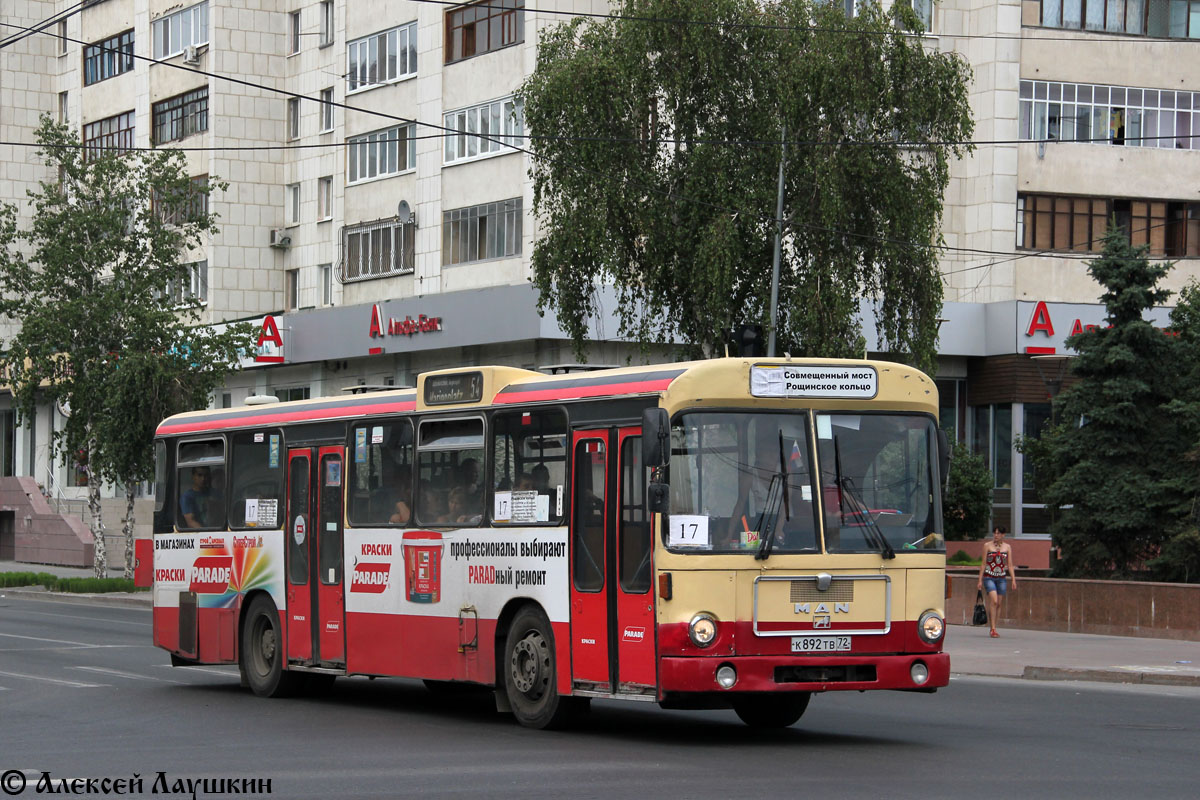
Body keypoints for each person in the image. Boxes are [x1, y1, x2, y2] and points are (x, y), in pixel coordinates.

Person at [977, 525, 1016, 637]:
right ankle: (993, 628)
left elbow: (1009, 564)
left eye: (998, 533)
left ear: (1003, 535)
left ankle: (994, 626)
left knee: (999, 603)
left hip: (1001, 578)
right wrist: (980, 580)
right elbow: (983, 563)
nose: (996, 535)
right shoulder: (987, 546)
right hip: (989, 576)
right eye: (994, 533)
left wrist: (1013, 579)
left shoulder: (1007, 547)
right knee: (993, 600)